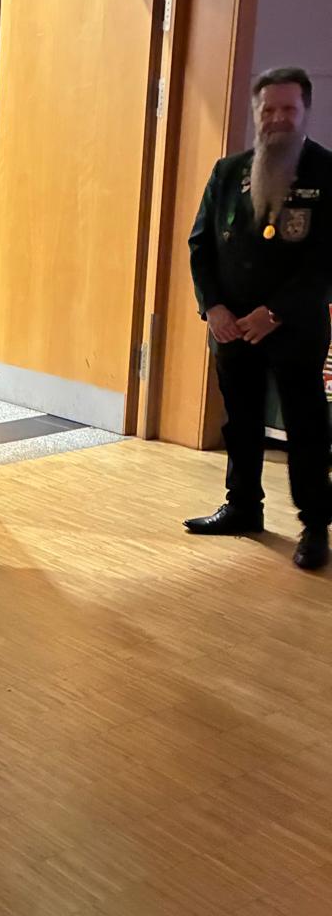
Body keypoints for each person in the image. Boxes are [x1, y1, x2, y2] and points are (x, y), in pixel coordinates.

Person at [185, 68, 332, 569]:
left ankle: (315, 524)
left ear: (305, 111)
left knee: (306, 427)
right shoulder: (229, 172)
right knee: (241, 421)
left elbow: (326, 260)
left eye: (288, 108)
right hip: (232, 328)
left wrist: (276, 312)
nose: (277, 118)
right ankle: (243, 506)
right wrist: (214, 308)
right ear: (256, 113)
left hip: (295, 329)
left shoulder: (327, 172)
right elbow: (200, 244)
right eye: (268, 109)